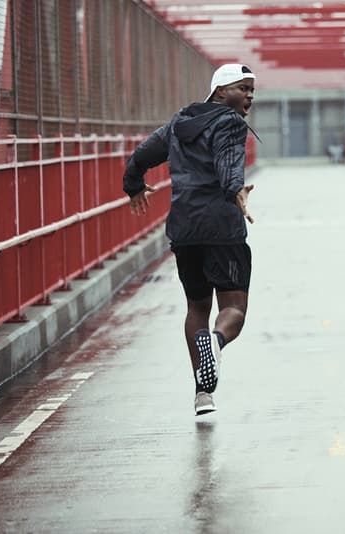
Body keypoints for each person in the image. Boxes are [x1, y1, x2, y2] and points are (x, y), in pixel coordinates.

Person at [123, 63, 257, 416]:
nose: (250, 96)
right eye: (243, 88)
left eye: (252, 90)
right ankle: (216, 341)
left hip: (184, 229)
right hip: (222, 228)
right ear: (220, 91)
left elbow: (140, 155)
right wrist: (236, 190)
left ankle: (202, 394)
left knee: (197, 307)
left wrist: (133, 183)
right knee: (234, 310)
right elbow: (229, 165)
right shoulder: (229, 122)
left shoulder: (178, 123)